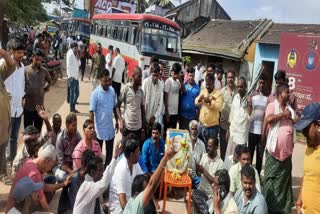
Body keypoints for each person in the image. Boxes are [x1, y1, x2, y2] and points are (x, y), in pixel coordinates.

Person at [263, 83, 297, 213]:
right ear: (281, 93)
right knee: (270, 180)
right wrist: (283, 115)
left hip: (287, 154)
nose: (289, 95)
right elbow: (269, 119)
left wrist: (293, 117)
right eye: (287, 92)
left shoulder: (289, 108)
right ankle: (267, 207)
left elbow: (295, 120)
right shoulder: (272, 106)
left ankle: (281, 209)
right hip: (273, 153)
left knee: (283, 184)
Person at [6, 144, 69, 212]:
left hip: (15, 205)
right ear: (47, 161)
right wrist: (49, 212)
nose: (50, 169)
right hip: (21, 207)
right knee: (47, 195)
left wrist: (62, 184)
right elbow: (43, 203)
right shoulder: (35, 175)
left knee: (51, 179)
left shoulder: (29, 162)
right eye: (51, 166)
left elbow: (44, 187)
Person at [123, 144, 177, 214]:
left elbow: (151, 187)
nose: (150, 195)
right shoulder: (137, 205)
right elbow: (152, 185)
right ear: (137, 194)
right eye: (146, 191)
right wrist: (165, 158)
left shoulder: (131, 202)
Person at [73, 142, 121, 213]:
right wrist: (114, 158)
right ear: (92, 172)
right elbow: (104, 183)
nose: (103, 173)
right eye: (100, 170)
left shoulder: (93, 183)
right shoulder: (87, 186)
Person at [90, 69, 122, 167]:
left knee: (109, 155)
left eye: (109, 80)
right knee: (97, 156)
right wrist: (92, 129)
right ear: (100, 80)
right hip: (99, 131)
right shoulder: (95, 93)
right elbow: (91, 112)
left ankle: (107, 170)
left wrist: (117, 121)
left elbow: (114, 107)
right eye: (105, 81)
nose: (108, 83)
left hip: (109, 130)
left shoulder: (112, 91)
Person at [12, 106, 54, 177]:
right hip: (26, 185)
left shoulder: (35, 145)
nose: (34, 143)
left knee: (51, 178)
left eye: (35, 140)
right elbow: (16, 182)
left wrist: (46, 119)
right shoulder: (19, 160)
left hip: (35, 177)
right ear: (26, 142)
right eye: (31, 140)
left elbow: (49, 132)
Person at [3, 38, 26, 166]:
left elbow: (21, 84)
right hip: (5, 108)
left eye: (22, 53)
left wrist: (22, 99)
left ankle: (11, 161)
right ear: (11, 52)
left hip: (17, 108)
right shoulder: (2, 64)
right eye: (18, 53)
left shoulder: (22, 67)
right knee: (3, 139)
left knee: (13, 138)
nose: (21, 56)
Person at [294, 103, 320, 214]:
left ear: (318, 125)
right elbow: (307, 175)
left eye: (306, 128)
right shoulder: (309, 147)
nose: (303, 133)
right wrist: (299, 201)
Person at [109, 139, 143, 213]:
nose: (140, 153)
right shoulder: (121, 169)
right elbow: (123, 204)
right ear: (131, 154)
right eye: (138, 152)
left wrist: (155, 205)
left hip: (131, 202)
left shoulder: (135, 163)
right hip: (119, 209)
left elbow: (145, 183)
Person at [192, 138, 224, 213]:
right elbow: (199, 174)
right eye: (207, 146)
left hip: (211, 195)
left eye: (210, 146)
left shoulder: (220, 163)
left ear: (216, 147)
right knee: (192, 193)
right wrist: (197, 170)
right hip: (201, 190)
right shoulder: (204, 156)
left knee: (200, 204)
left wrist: (204, 171)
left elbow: (215, 182)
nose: (208, 148)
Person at [0, 46, 18, 178]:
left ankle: (2, 173)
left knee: (2, 151)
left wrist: (3, 52)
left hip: (3, 129)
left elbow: (12, 64)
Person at [24, 48, 52, 131]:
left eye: (40, 60)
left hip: (40, 109)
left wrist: (45, 89)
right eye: (37, 59)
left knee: (37, 132)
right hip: (28, 107)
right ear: (32, 57)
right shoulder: (26, 70)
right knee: (27, 132)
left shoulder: (44, 71)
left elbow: (50, 81)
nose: (39, 62)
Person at [118, 66, 146, 143]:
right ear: (133, 76)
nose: (141, 79)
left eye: (141, 77)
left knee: (136, 152)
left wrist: (143, 129)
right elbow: (117, 106)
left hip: (138, 129)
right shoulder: (125, 89)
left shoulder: (141, 92)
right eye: (139, 76)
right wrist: (121, 121)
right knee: (124, 150)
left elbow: (143, 111)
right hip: (127, 128)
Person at [226, 77, 252, 156]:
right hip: (233, 133)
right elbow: (231, 115)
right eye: (238, 87)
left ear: (245, 87)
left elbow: (251, 117)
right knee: (230, 158)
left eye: (241, 87)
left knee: (239, 160)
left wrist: (249, 103)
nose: (239, 89)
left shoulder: (249, 100)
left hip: (241, 136)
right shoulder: (236, 97)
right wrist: (228, 130)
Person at [248, 74, 268, 176]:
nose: (261, 85)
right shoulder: (252, 96)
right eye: (260, 82)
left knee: (260, 156)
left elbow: (266, 116)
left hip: (261, 132)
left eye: (263, 83)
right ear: (257, 83)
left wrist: (264, 132)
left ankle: (257, 176)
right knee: (250, 154)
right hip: (252, 131)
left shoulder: (267, 98)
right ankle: (250, 175)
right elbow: (249, 112)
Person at [195, 73, 223, 145]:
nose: (207, 86)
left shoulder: (218, 93)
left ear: (213, 82)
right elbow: (196, 102)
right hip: (202, 126)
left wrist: (210, 102)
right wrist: (199, 99)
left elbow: (219, 107)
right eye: (206, 84)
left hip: (212, 128)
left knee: (210, 149)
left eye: (209, 84)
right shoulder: (203, 91)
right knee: (200, 147)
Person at [55, 113, 82, 182]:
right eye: (73, 125)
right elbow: (60, 163)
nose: (75, 127)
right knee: (61, 177)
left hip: (74, 163)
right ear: (67, 125)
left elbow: (82, 146)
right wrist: (70, 171)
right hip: (64, 166)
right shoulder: (60, 139)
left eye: (76, 125)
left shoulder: (76, 134)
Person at [219, 70, 237, 161]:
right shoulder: (222, 91)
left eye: (232, 77)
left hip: (234, 126)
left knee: (232, 150)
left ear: (234, 78)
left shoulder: (238, 91)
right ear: (226, 78)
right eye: (229, 77)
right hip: (224, 125)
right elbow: (218, 107)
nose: (230, 79)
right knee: (223, 148)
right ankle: (223, 168)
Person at [142, 63, 164, 136]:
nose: (155, 78)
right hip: (144, 117)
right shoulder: (146, 82)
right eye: (154, 75)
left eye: (157, 76)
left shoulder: (160, 85)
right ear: (151, 73)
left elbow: (160, 104)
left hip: (154, 118)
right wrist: (144, 118)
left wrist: (154, 116)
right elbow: (142, 101)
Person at [187, 120, 206, 189]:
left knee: (202, 187)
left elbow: (204, 161)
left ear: (198, 131)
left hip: (196, 175)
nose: (194, 131)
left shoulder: (202, 145)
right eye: (192, 129)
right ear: (189, 131)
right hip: (185, 173)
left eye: (196, 129)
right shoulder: (184, 142)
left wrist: (200, 169)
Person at [164, 63, 182, 133]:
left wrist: (180, 79)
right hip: (169, 113)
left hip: (175, 113)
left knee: (173, 132)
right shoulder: (168, 81)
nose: (175, 75)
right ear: (171, 72)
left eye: (177, 73)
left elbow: (183, 90)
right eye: (174, 73)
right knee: (167, 132)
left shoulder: (178, 82)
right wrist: (167, 114)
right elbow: (165, 98)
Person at [66, 42, 80, 113]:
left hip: (76, 77)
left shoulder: (76, 54)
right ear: (72, 48)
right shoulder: (70, 54)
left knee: (77, 93)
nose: (76, 50)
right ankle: (72, 109)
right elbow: (68, 66)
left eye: (77, 49)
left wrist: (78, 58)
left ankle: (73, 106)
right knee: (72, 94)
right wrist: (70, 76)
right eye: (75, 49)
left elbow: (79, 64)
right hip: (72, 77)